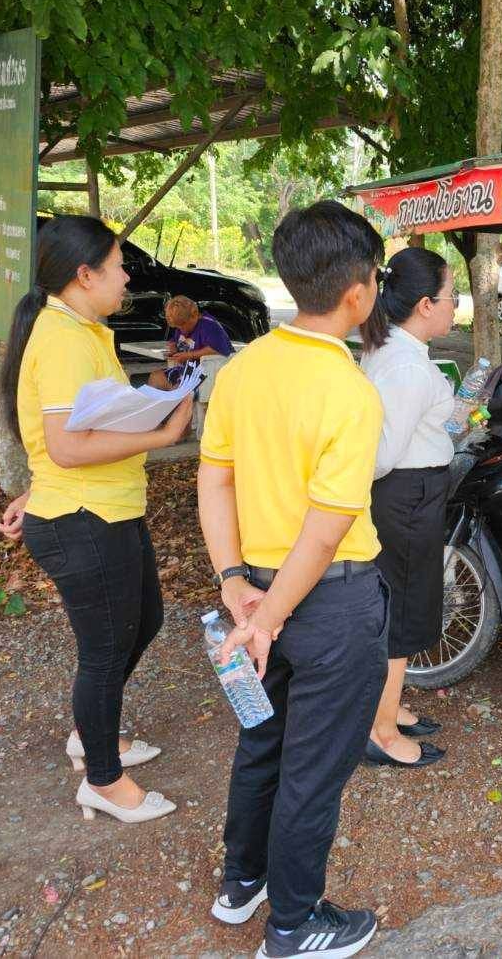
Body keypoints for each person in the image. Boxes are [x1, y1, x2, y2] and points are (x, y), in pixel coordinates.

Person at [197, 200, 387, 959]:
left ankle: (242, 883)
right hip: (328, 601)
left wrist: (234, 582)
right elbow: (326, 526)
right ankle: (294, 925)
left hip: (257, 591)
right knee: (313, 769)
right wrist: (269, 616)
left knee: (263, 744)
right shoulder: (349, 391)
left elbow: (215, 482)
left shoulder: (242, 370)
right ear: (359, 292)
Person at [0, 215, 192, 824]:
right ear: (85, 276)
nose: (127, 276)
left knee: (144, 621)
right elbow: (67, 446)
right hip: (82, 518)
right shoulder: (61, 337)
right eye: (117, 265)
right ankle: (102, 780)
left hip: (103, 506)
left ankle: (93, 733)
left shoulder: (81, 329)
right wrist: (162, 434)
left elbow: (68, 432)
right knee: (105, 652)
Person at [358, 248, 456, 769]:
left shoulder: (397, 350)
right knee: (402, 611)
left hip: (410, 492)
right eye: (450, 297)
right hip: (405, 495)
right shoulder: (404, 366)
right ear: (424, 304)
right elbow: (378, 456)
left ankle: (387, 706)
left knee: (404, 604)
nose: (455, 307)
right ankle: (379, 729)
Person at [147, 295, 232, 390]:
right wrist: (173, 347)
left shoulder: (209, 326)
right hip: (184, 371)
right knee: (155, 377)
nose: (181, 330)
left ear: (194, 315)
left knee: (175, 389)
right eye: (177, 327)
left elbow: (218, 349)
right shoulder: (181, 324)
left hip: (204, 375)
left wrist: (189, 355)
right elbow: (175, 342)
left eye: (183, 325)